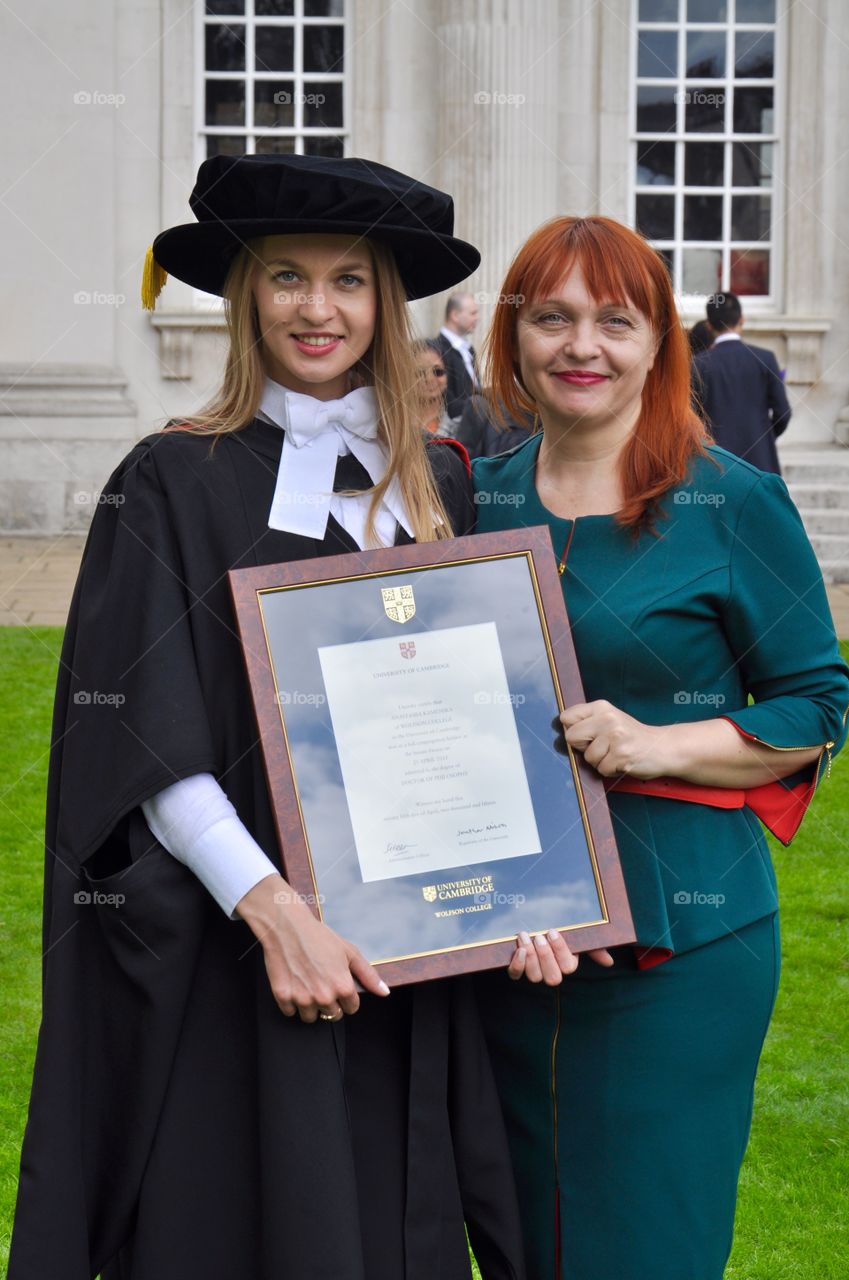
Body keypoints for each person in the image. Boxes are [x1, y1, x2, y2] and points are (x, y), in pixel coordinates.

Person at [8, 154, 526, 1280]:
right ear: (246, 296)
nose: (318, 308)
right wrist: (275, 911)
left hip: (406, 970)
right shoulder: (169, 480)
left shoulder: (439, 487)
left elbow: (485, 732)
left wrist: (522, 893)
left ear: (388, 303)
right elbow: (139, 736)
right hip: (239, 962)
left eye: (350, 280)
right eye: (286, 277)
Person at [470, 215, 849, 1280]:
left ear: (656, 344)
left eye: (613, 320)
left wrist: (658, 742)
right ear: (515, 336)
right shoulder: (471, 495)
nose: (580, 345)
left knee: (644, 1243)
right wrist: (490, 900)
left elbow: (816, 704)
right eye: (551, 317)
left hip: (682, 946)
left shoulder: (732, 500)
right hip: (507, 947)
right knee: (521, 1241)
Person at [693, 291, 791, 474]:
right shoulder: (765, 358)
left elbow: (691, 418)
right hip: (760, 462)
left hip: (716, 464)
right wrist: (763, 438)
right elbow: (782, 413)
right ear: (742, 319)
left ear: (709, 325)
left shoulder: (698, 364)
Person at [434, 291, 481, 416]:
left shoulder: (469, 349)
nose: (477, 318)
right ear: (455, 315)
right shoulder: (437, 351)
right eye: (473, 313)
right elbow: (446, 403)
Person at [413, 337, 461, 437]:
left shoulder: (461, 419)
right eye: (420, 373)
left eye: (438, 371)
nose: (429, 379)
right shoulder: (394, 422)